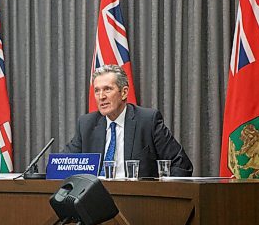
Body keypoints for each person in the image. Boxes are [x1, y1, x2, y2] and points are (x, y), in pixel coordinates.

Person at [64, 64, 193, 177]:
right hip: (96, 199)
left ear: (124, 92)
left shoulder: (147, 121)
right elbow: (62, 166)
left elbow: (181, 164)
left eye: (107, 89)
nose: (101, 97)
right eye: (97, 91)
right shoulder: (87, 124)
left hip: (138, 199)